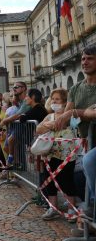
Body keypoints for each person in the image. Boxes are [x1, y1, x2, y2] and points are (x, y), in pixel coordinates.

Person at [36, 88, 78, 221]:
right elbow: (38, 129)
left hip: (66, 155)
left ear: (65, 102)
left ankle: (72, 208)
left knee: (66, 180)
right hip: (49, 154)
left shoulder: (70, 116)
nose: (54, 101)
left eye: (57, 99)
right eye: (52, 99)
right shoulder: (49, 116)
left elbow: (76, 128)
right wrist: (49, 125)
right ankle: (53, 208)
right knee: (49, 181)